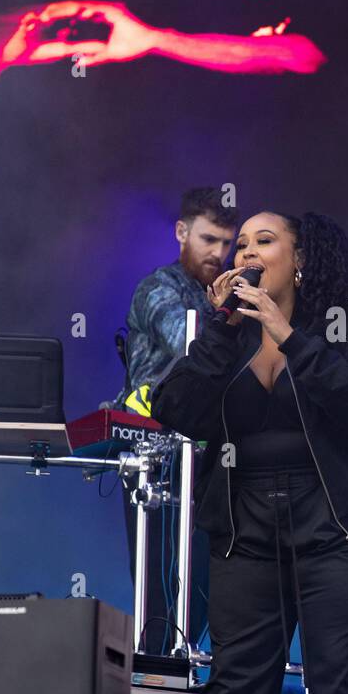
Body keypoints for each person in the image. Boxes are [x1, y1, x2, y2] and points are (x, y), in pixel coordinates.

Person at [150, 210, 348, 694]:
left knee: (338, 688)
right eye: (241, 244)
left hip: (337, 530)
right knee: (234, 689)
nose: (245, 253)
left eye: (263, 242)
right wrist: (224, 325)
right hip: (246, 529)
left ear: (301, 262)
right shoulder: (227, 334)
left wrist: (287, 336)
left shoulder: (342, 326)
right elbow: (175, 407)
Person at [117, 187, 236, 655]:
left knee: (206, 574)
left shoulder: (227, 291)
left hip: (206, 454)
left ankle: (179, 670)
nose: (219, 253)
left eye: (226, 243)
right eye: (209, 239)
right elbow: (189, 341)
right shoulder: (158, 288)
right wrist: (227, 313)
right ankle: (153, 675)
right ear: (182, 232)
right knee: (160, 577)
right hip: (154, 453)